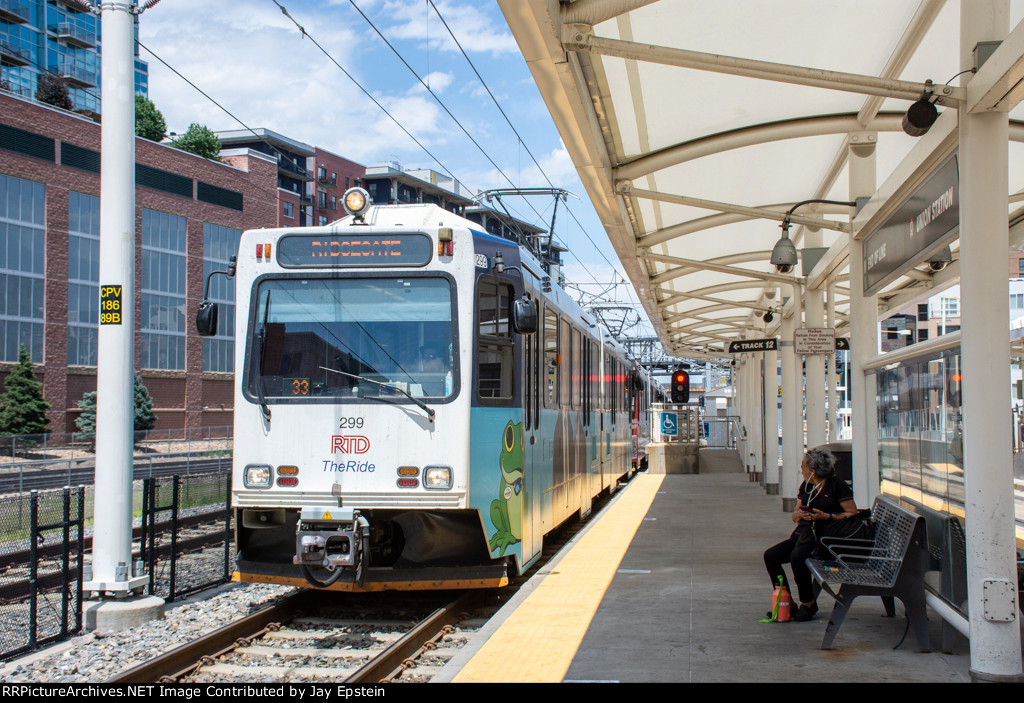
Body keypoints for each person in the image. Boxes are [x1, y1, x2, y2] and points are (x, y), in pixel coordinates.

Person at [763, 448, 858, 621]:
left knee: (797, 556)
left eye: (803, 467)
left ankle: (808, 603)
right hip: (804, 535)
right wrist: (800, 515)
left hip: (826, 539)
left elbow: (852, 513)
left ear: (812, 471)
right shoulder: (806, 486)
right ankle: (787, 602)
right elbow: (794, 515)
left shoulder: (837, 486)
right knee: (771, 556)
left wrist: (827, 516)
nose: (801, 470)